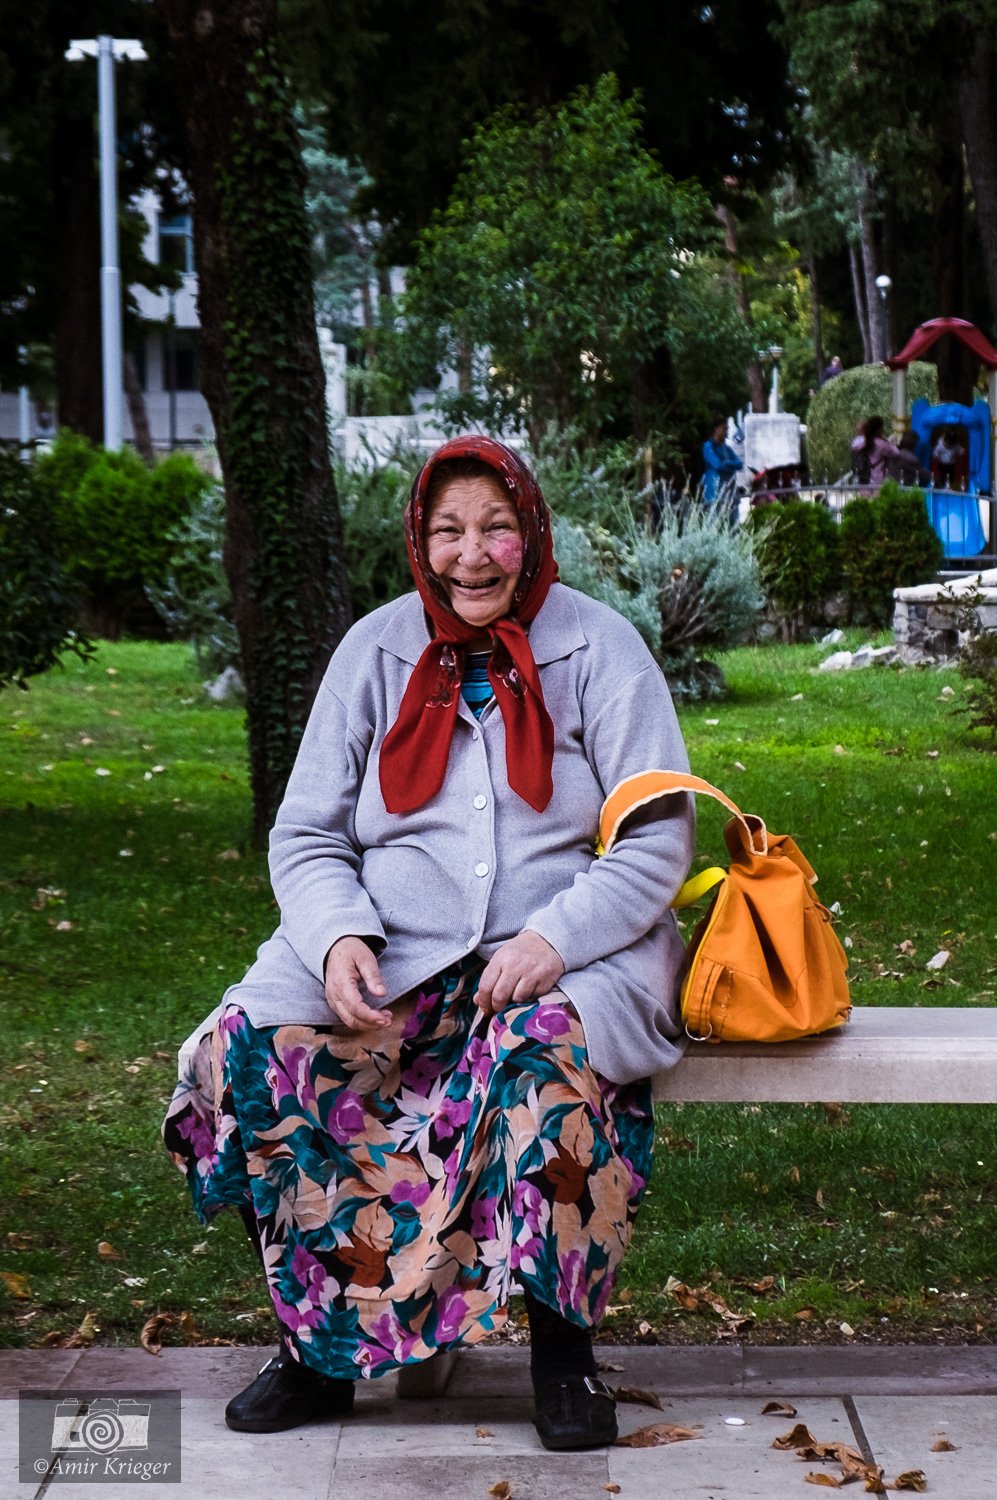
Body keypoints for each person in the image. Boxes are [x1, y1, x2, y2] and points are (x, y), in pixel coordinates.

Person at [163, 435, 694, 1451]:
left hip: (563, 955)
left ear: (530, 531)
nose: (473, 555)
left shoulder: (601, 647)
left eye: (496, 528)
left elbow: (655, 837)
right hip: (394, 952)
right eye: (448, 531)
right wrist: (335, 938)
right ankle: (317, 1349)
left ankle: (562, 1353)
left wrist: (553, 937)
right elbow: (310, 831)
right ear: (420, 539)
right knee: (247, 1059)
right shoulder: (374, 650)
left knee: (543, 1058)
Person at [701, 417, 741, 505]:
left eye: (727, 429)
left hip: (730, 489)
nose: (726, 432)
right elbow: (717, 465)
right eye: (724, 428)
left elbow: (739, 464)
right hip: (714, 490)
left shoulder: (727, 448)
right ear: (716, 429)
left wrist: (727, 463)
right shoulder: (708, 446)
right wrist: (730, 465)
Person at [861, 415, 901, 486]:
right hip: (878, 476)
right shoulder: (881, 444)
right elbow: (896, 453)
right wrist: (890, 442)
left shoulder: (867, 440)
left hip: (866, 475)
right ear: (879, 429)